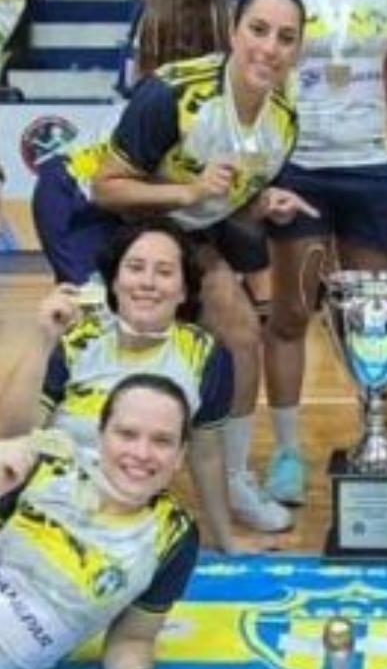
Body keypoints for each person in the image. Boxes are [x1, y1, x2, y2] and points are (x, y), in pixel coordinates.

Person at [33, 0, 313, 533]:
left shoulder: (284, 122)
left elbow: (226, 196)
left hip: (171, 218)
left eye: (286, 38)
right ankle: (62, 473)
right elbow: (110, 186)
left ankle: (233, 479)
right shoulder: (172, 93)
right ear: (233, 31)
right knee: (105, 327)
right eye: (258, 30)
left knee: (236, 325)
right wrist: (190, 194)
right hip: (85, 202)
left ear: (298, 50)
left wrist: (261, 202)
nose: (269, 48)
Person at [267, 0, 387, 508]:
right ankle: (290, 453)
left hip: (371, 169)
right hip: (301, 168)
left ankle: (372, 438)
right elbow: (260, 75)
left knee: (373, 320)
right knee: (294, 311)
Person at [0, 226, 239, 554]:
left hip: (128, 525)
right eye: (135, 268)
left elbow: (207, 455)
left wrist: (227, 540)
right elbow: (12, 435)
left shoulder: (207, 355)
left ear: (184, 290)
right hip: (42, 508)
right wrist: (43, 341)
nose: (147, 283)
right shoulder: (75, 339)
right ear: (114, 281)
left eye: (165, 272)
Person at [0, 374, 198, 669]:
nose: (141, 453)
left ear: (181, 455)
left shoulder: (174, 536)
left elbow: (132, 638)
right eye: (127, 434)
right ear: (100, 434)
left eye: (162, 441)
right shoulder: (44, 466)